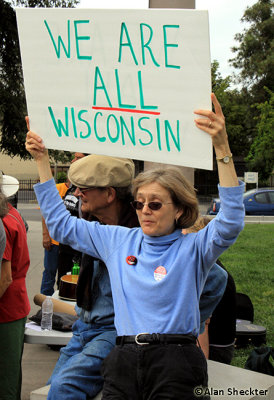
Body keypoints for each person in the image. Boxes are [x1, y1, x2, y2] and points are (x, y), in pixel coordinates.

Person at [26, 93, 245, 399]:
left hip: (175, 359)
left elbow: (231, 221)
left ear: (179, 209)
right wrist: (41, 161)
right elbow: (62, 225)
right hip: (125, 357)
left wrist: (222, 148)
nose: (145, 211)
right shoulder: (118, 239)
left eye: (155, 204)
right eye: (140, 203)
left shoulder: (194, 247)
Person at [47, 154, 139, 400]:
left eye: (83, 189)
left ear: (110, 195)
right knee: (53, 386)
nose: (76, 193)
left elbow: (215, 279)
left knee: (63, 388)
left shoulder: (139, 236)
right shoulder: (93, 224)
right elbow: (59, 226)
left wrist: (173, 330)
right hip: (83, 329)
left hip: (114, 333)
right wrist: (39, 160)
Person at [185, 216, 237, 364]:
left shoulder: (206, 274)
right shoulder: (215, 267)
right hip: (225, 344)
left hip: (213, 349)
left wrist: (202, 367)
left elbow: (203, 327)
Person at [0, 186, 30, 399]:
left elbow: (5, 277)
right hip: (15, 302)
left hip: (5, 307)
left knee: (5, 380)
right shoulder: (11, 210)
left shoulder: (2, 221)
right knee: (11, 372)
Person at [40, 180, 69, 295]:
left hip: (69, 244)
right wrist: (45, 235)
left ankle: (61, 301)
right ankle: (44, 302)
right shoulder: (57, 188)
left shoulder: (79, 192)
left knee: (65, 276)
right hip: (53, 242)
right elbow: (45, 212)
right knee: (49, 272)